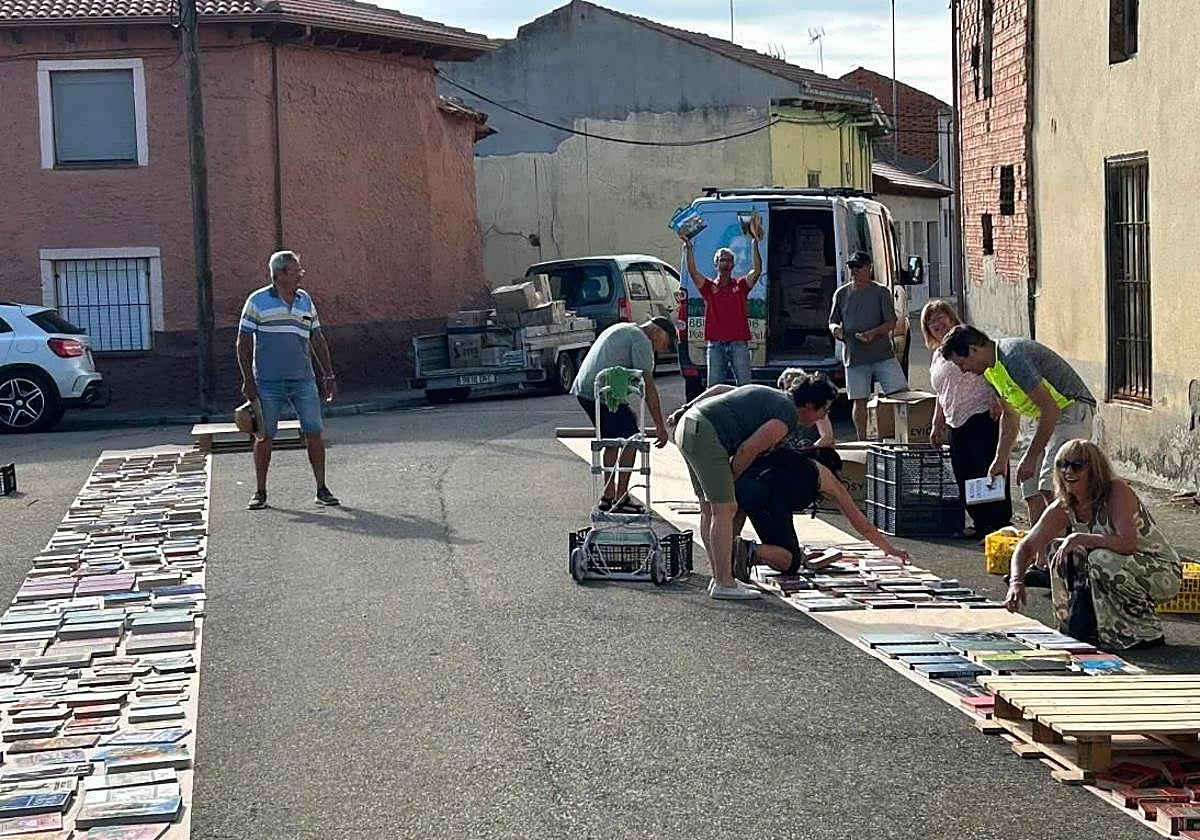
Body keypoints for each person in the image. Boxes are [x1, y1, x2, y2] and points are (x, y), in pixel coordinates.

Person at [666, 373, 835, 601]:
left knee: (709, 508)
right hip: (706, 435)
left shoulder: (774, 396)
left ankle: (720, 576)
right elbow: (747, 450)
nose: (823, 416)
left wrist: (686, 408)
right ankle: (724, 582)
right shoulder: (785, 416)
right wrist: (732, 478)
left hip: (689, 427)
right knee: (725, 508)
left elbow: (721, 390)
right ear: (809, 405)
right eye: (823, 410)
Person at [1004, 440, 1182, 651]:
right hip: (1121, 563)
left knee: (1099, 558)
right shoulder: (1064, 504)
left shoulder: (1116, 491)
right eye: (1062, 464)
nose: (1068, 471)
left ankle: (1141, 631)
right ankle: (1077, 625)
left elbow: (1127, 544)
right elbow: (1026, 547)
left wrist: (1083, 539)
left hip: (1160, 571)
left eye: (1077, 465)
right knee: (1056, 549)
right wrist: (1017, 581)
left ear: (1094, 470)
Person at [940, 325, 1096, 557]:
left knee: (1049, 484)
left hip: (1070, 409)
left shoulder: (1013, 357)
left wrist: (1031, 457)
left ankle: (1070, 557)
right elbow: (1010, 416)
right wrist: (1000, 458)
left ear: (973, 350)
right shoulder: (991, 370)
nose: (964, 371)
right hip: (1044, 417)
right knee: (1030, 486)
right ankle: (1042, 560)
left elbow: (1050, 409)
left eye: (962, 364)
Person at [236, 250, 339, 510]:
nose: (301, 275)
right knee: (264, 436)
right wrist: (248, 379)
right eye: (296, 272)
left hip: (304, 379)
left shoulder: (305, 301)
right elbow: (243, 341)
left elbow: (317, 338)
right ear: (280, 274)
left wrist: (328, 374)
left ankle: (322, 488)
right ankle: (260, 491)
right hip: (267, 382)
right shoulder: (257, 301)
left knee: (314, 432)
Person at [732, 441, 910, 580]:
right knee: (789, 562)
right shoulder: (825, 475)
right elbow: (859, 521)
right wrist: (889, 548)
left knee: (785, 552)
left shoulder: (788, 458)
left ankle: (733, 549)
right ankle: (748, 550)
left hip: (741, 485)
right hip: (766, 497)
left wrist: (729, 539)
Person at [921, 302, 1013, 539]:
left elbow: (989, 369)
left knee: (988, 470)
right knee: (966, 475)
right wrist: (936, 423)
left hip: (980, 413)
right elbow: (941, 393)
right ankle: (981, 524)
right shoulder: (937, 357)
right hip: (955, 421)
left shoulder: (966, 346)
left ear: (951, 319)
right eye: (931, 323)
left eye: (940, 318)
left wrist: (996, 398)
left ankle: (999, 524)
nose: (937, 325)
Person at [570, 318, 677, 513]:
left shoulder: (625, 328)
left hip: (586, 389)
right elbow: (648, 387)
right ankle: (620, 497)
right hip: (600, 391)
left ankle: (608, 495)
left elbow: (614, 365)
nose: (662, 349)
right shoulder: (642, 341)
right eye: (666, 343)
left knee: (613, 440)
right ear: (657, 331)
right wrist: (660, 426)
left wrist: (623, 404)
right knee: (631, 438)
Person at [828, 250, 908, 440]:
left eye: (858, 266)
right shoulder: (842, 293)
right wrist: (836, 331)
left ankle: (903, 435)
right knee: (859, 399)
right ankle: (862, 440)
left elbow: (891, 322)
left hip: (882, 353)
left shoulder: (880, 292)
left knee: (900, 394)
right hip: (854, 355)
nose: (854, 270)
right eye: (851, 267)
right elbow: (832, 321)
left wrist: (873, 333)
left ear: (868, 268)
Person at [682, 230, 762, 388]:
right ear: (716, 264)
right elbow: (692, 271)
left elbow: (757, 271)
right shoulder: (708, 287)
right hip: (715, 345)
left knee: (745, 387)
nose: (725, 263)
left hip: (738, 343)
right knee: (713, 389)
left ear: (733, 264)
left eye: (728, 260)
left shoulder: (740, 286)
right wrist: (688, 248)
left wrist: (755, 243)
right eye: (721, 260)